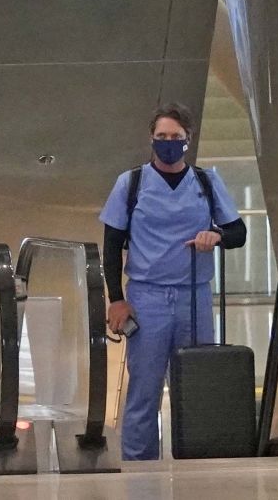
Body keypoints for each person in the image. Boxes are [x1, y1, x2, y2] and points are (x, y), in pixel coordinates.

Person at [100, 104, 247, 460]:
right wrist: (116, 298)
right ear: (151, 139)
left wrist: (216, 236)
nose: (168, 143)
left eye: (176, 138)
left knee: (196, 386)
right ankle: (139, 467)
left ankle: (197, 459)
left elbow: (237, 232)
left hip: (193, 297)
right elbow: (111, 245)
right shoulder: (131, 183)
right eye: (162, 137)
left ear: (188, 140)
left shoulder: (206, 182)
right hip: (146, 297)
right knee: (144, 388)